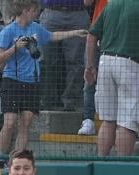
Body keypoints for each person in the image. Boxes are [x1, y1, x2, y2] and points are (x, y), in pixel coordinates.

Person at [0, 0, 87, 154]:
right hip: (12, 80)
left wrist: (75, 32)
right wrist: (15, 48)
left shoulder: (35, 27)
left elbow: (53, 36)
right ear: (25, 11)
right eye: (33, 11)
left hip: (32, 82)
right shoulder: (8, 31)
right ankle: (0, 159)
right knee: (9, 122)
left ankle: (17, 159)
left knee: (26, 123)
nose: (36, 13)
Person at [86, 0, 139, 156]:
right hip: (130, 64)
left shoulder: (111, 4)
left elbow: (91, 36)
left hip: (105, 62)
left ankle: (101, 164)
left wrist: (89, 66)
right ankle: (121, 168)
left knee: (108, 120)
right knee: (127, 123)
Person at [39, 0, 89, 112]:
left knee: (76, 62)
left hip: (78, 12)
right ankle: (46, 100)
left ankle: (71, 101)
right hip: (51, 11)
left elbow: (88, 2)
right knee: (46, 60)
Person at [77, 0, 106, 137]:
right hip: (98, 32)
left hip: (122, 34)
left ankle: (124, 123)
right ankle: (88, 119)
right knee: (89, 78)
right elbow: (87, 2)